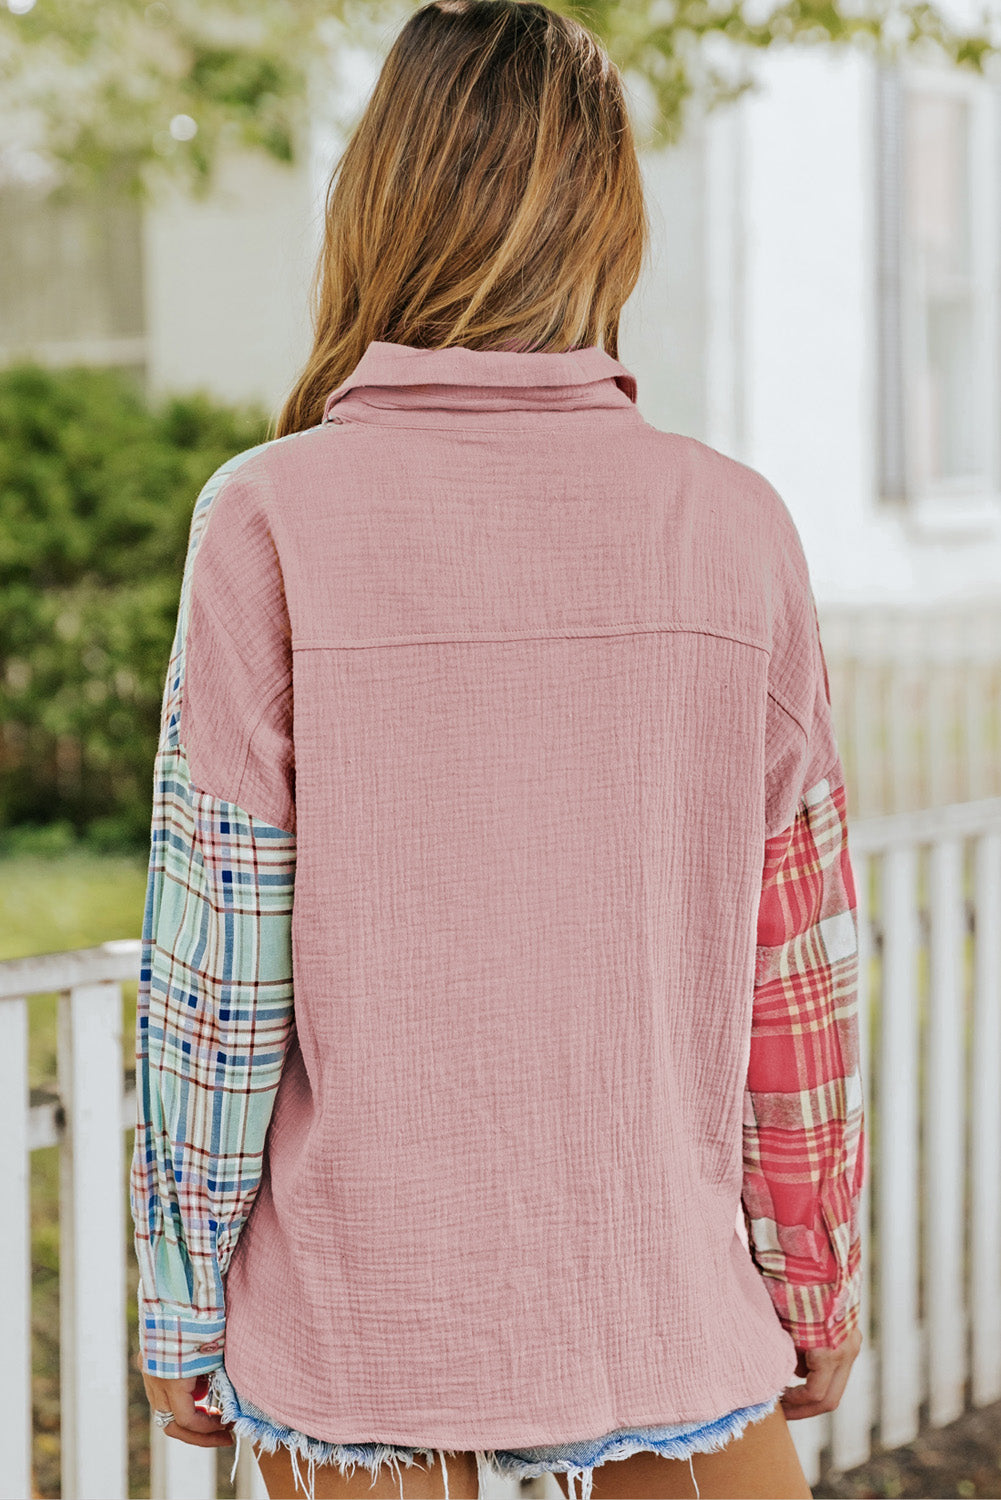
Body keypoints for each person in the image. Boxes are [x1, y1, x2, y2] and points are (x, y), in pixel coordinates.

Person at [128, 3, 867, 1498]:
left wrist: (180, 1301)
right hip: (661, 1296)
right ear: (613, 224)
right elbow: (795, 980)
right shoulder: (734, 526)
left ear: (374, 210)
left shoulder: (269, 517)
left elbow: (218, 977)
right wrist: (813, 1278)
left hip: (360, 1314)